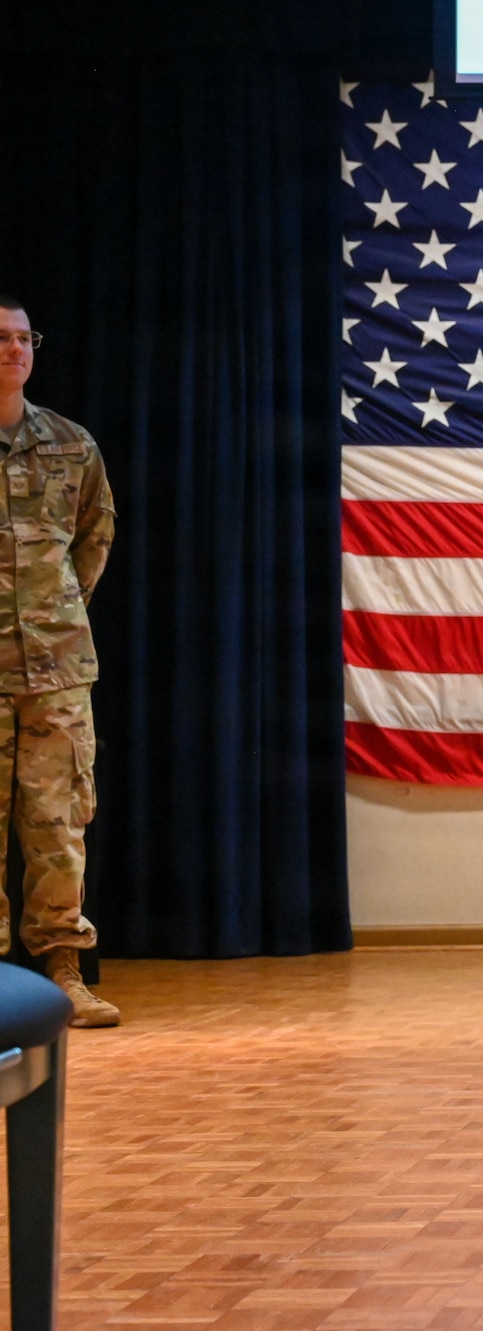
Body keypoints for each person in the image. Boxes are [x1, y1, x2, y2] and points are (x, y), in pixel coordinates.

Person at [0, 295, 119, 1028]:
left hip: (55, 671)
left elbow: (92, 540)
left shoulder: (71, 445)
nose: (13, 348)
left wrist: (52, 612)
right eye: (0, 338)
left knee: (57, 824)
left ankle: (63, 969)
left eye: (22, 337)